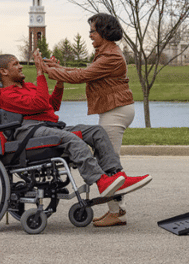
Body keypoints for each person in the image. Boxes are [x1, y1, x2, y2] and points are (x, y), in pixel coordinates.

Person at [0, 50, 152, 214]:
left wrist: (60, 81)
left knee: (96, 131)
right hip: (29, 131)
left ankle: (117, 176)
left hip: (48, 126)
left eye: (19, 63)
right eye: (15, 64)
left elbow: (52, 105)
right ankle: (101, 181)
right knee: (71, 139)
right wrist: (40, 73)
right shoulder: (6, 95)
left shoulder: (30, 87)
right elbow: (39, 103)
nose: (20, 66)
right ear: (3, 71)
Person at [42, 13, 136, 227]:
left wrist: (50, 71)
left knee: (108, 159)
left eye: (93, 31)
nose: (90, 35)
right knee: (108, 157)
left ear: (104, 32)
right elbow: (82, 72)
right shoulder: (105, 53)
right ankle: (116, 209)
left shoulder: (111, 57)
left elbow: (81, 76)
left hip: (117, 111)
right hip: (114, 109)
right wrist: (56, 69)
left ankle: (116, 212)